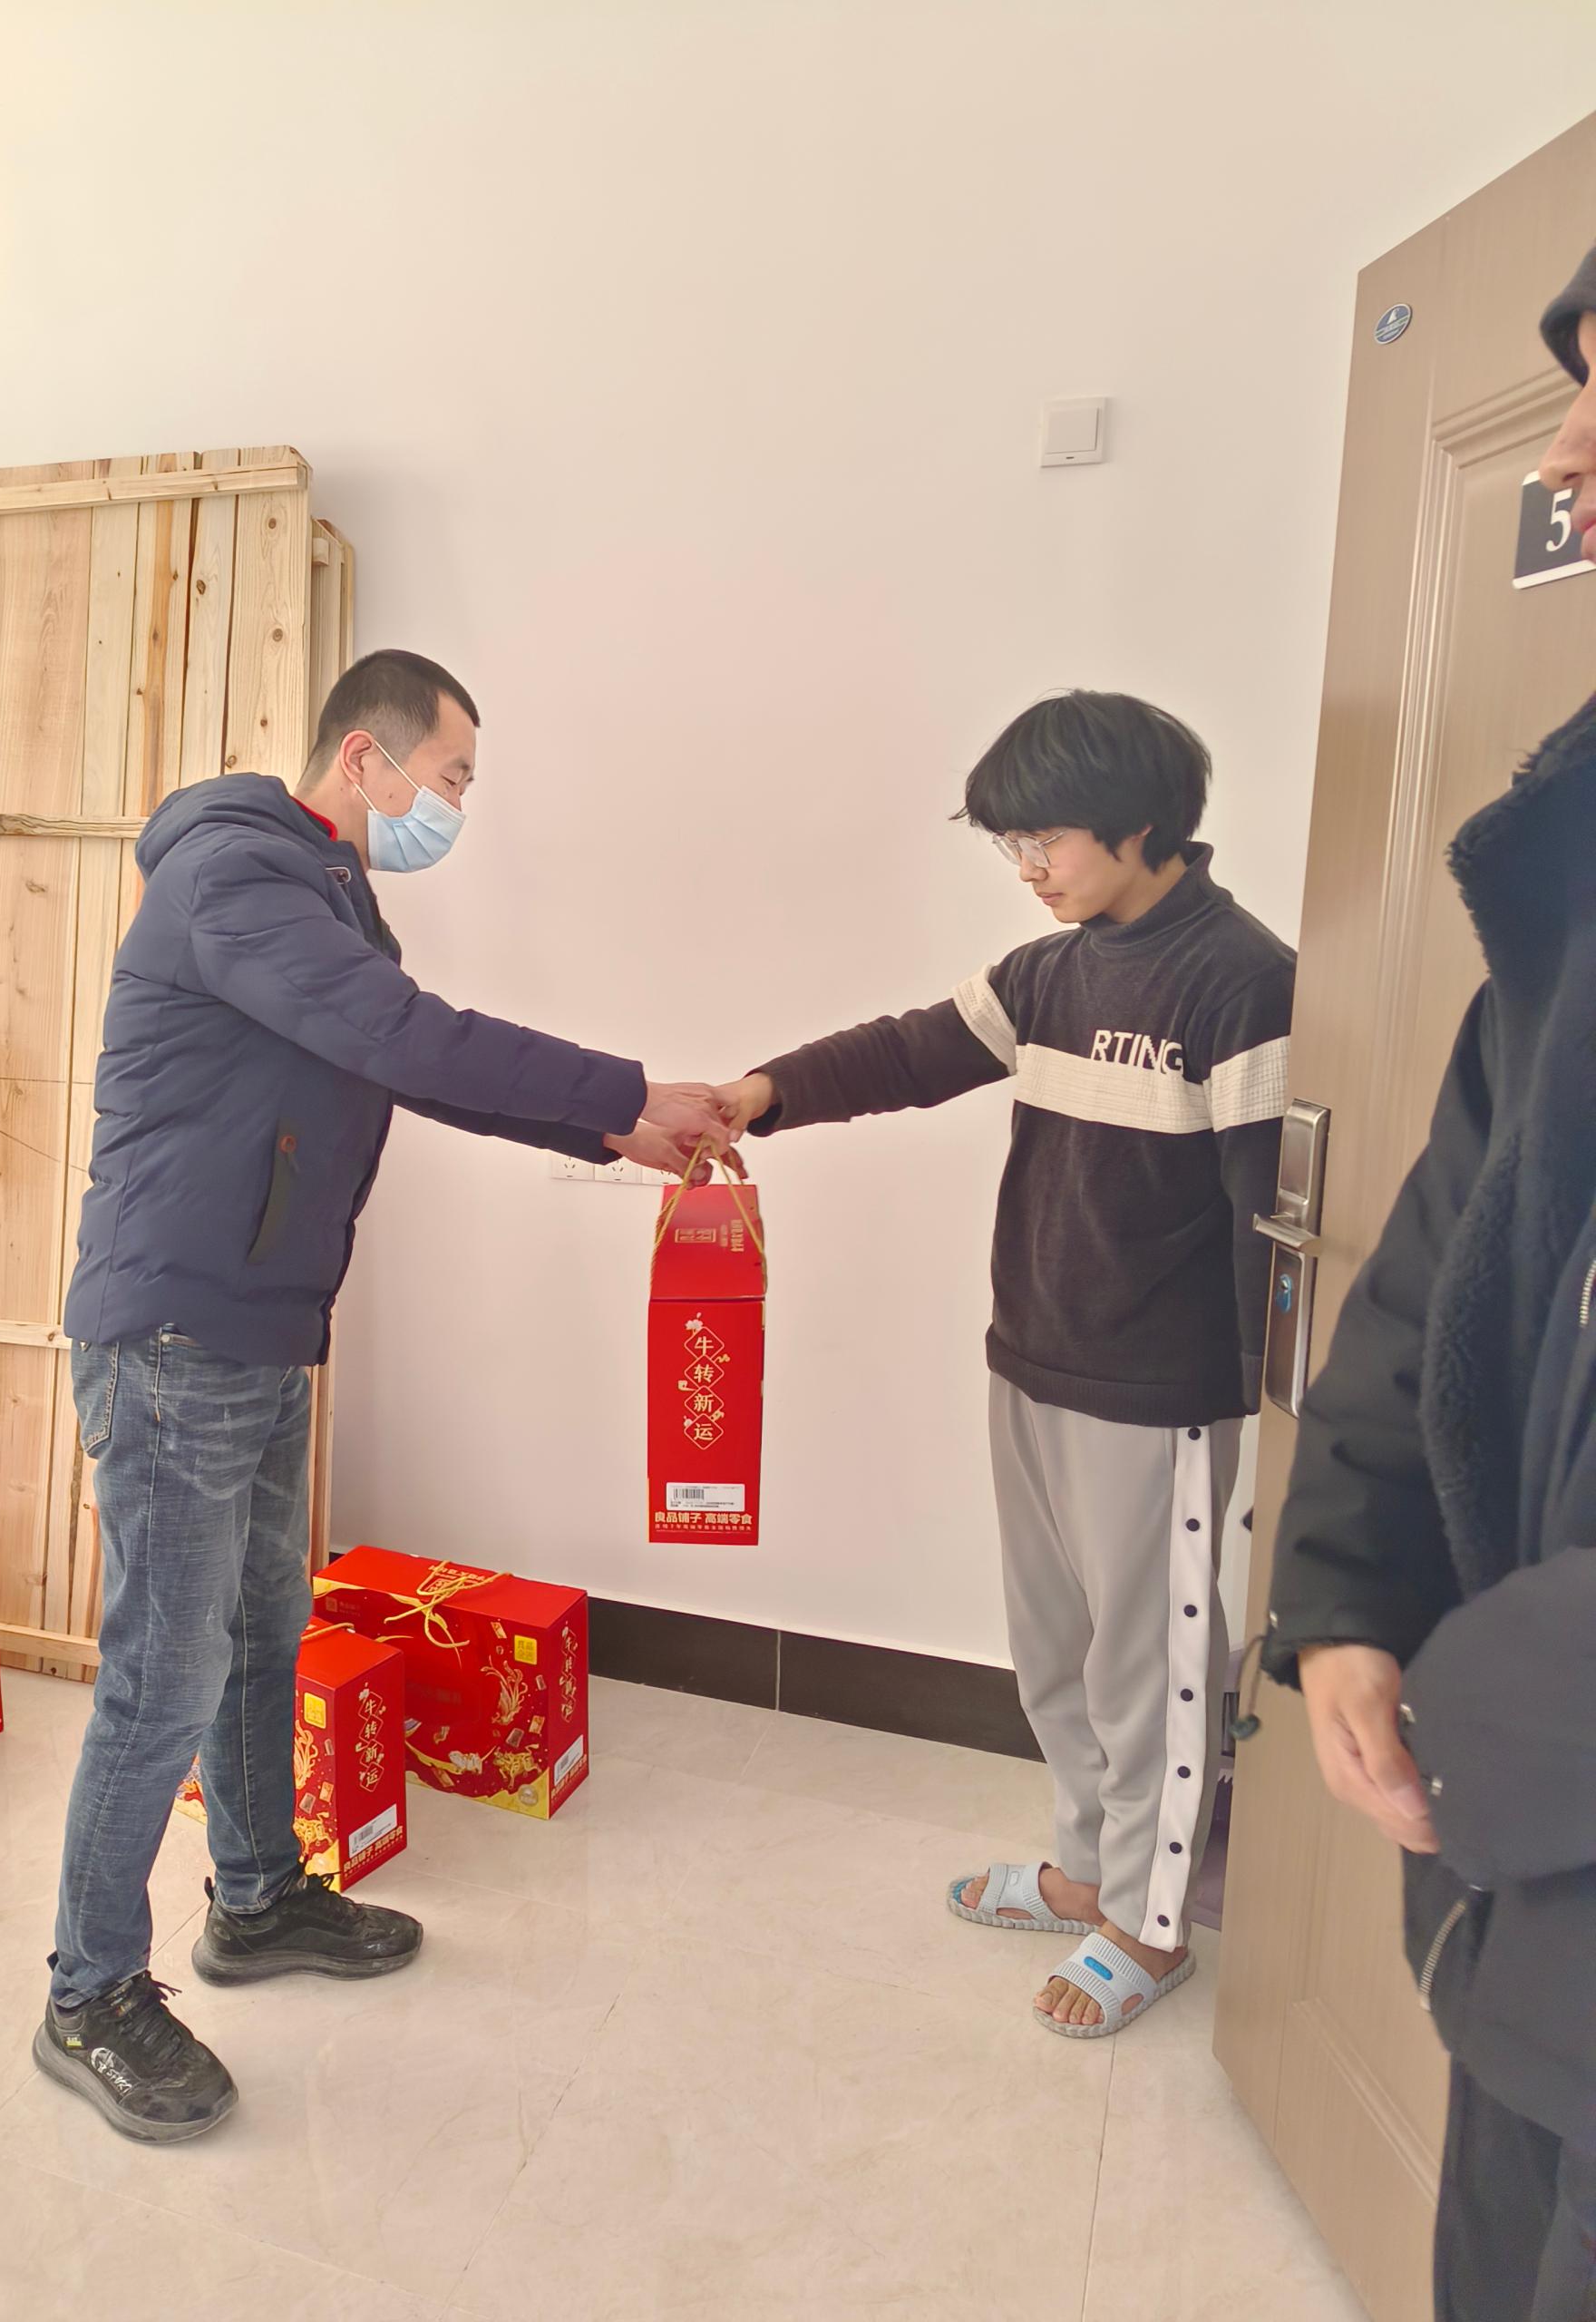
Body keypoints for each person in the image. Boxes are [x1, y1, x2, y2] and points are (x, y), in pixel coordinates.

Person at [41, 649, 730, 2142]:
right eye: (452, 776)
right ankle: (88, 1992)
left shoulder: (329, 895)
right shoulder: (235, 874)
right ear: (366, 756)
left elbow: (400, 1061)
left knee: (260, 1635)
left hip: (259, 1328)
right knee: (163, 1672)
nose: (456, 805)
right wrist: (624, 1088)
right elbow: (406, 1035)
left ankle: (255, 1900)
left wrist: (606, 1136)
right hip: (174, 1335)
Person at [714, 691, 1295, 2034]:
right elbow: (914, 1049)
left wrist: (1264, 1412)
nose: (1027, 869)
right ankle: (1089, 1870)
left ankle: (1151, 1926)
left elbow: (1265, 1220)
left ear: (1137, 824)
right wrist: (763, 1093)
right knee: (1055, 1653)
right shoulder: (1052, 971)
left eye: (1044, 841)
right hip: (1030, 1360)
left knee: (1152, 1671)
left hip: (1159, 1397)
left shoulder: (1244, 981)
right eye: (1009, 846)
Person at [1262, 258, 1596, 2322]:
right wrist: (1345, 1594)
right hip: (1533, 1900)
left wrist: (1493, 1711)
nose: (1565, 449)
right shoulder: (1573, 866)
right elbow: (1446, 1271)